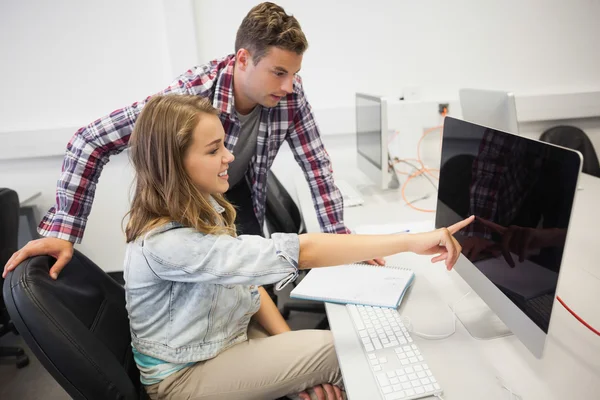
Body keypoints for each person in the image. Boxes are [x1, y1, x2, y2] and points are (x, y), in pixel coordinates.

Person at [122, 94, 473, 400]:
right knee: (356, 353)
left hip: (225, 339)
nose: (229, 156)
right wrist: (410, 242)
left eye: (225, 144)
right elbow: (302, 251)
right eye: (214, 150)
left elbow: (248, 287)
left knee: (334, 358)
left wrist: (294, 369)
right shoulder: (168, 245)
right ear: (174, 164)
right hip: (186, 376)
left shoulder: (201, 207)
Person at [3, 2, 384, 281]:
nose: (289, 86)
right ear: (243, 59)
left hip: (237, 194)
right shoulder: (190, 96)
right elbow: (88, 141)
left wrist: (342, 243)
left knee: (252, 292)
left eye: (294, 74)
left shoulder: (290, 93)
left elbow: (316, 167)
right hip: (187, 209)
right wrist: (62, 232)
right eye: (279, 72)